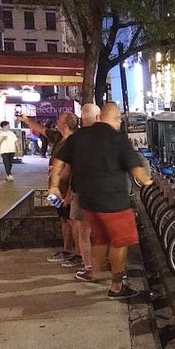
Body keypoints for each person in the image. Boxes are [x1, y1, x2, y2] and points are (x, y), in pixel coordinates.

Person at [50, 103, 153, 300]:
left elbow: (59, 160)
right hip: (114, 202)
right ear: (117, 119)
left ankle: (95, 270)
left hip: (88, 201)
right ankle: (116, 286)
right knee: (120, 242)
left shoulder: (79, 137)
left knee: (102, 238)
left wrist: (54, 185)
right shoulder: (118, 139)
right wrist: (147, 181)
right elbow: (137, 170)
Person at [20, 112, 79, 264]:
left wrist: (69, 193)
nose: (56, 122)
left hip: (67, 190)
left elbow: (73, 170)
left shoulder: (74, 142)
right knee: (63, 219)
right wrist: (26, 120)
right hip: (55, 189)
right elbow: (41, 129)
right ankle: (67, 249)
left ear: (65, 125)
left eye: (59, 120)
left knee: (73, 221)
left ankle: (79, 253)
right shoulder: (58, 137)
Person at [70, 104, 100, 281]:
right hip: (102, 192)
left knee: (84, 232)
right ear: (98, 118)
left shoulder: (76, 139)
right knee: (102, 231)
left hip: (81, 192)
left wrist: (59, 189)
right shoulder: (105, 138)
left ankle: (89, 268)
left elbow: (66, 168)